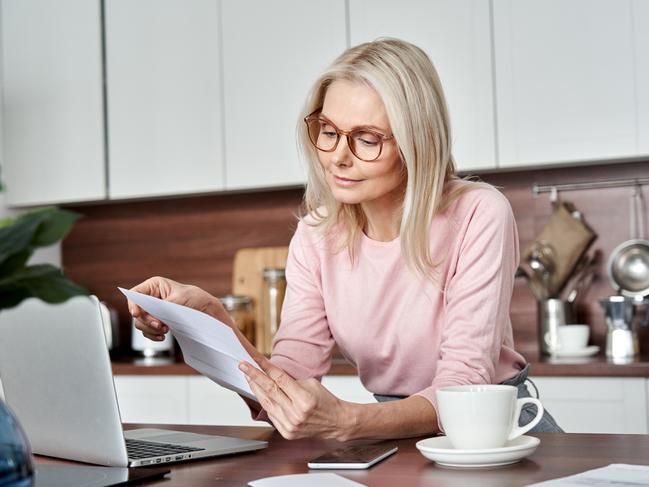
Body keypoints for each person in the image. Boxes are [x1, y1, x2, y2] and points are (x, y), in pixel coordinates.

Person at [128, 38, 562, 441]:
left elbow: (464, 387)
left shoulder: (478, 213)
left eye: (367, 139)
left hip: (494, 428)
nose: (338, 156)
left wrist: (350, 422)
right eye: (329, 131)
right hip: (392, 431)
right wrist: (212, 320)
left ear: (417, 143)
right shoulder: (318, 234)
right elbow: (288, 386)